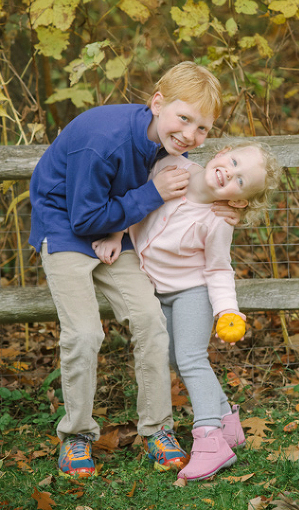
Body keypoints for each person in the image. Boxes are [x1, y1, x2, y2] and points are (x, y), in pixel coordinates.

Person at [29, 61, 223, 478]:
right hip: (66, 227)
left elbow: (194, 188)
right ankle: (77, 435)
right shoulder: (104, 139)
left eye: (201, 128)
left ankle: (157, 429)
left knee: (151, 321)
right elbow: (84, 220)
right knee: (84, 332)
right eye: (184, 118)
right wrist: (150, 194)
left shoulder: (169, 144)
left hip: (116, 228)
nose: (189, 135)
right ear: (157, 103)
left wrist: (230, 205)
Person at [93, 142, 281, 480]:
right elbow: (136, 199)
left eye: (240, 180)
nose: (230, 172)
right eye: (233, 161)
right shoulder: (170, 169)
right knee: (175, 357)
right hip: (153, 286)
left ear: (237, 201)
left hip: (192, 292)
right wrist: (116, 234)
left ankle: (210, 441)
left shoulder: (218, 220)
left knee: (192, 358)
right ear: (222, 151)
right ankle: (227, 420)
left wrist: (228, 311)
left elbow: (219, 269)